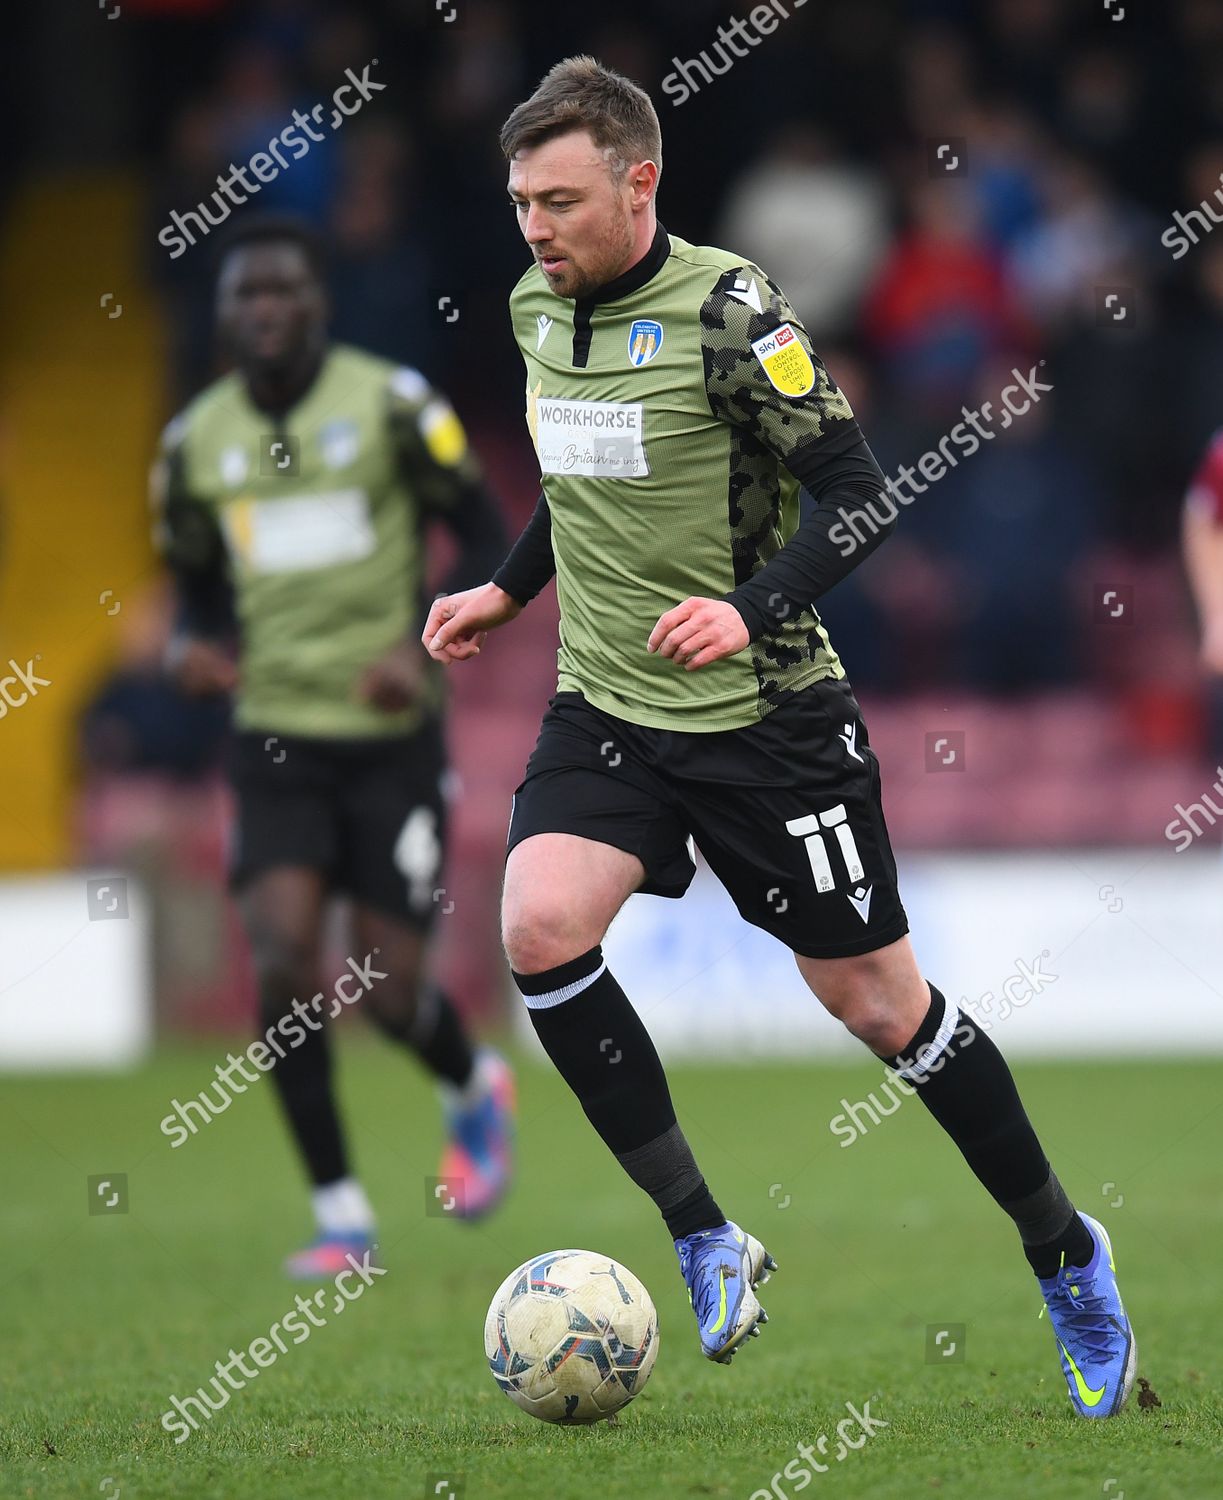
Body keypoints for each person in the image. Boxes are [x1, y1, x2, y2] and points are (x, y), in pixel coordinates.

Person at [422, 58, 1135, 1418]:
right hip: (610, 706)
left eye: (560, 200)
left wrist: (746, 614)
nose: (533, 228)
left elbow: (859, 496)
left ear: (640, 183)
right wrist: (505, 594)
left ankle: (1060, 1252)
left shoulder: (729, 312)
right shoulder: (533, 303)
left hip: (767, 719)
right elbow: (571, 477)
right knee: (535, 927)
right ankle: (700, 1231)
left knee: (877, 1008)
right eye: (520, 202)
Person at [153, 215, 515, 1277]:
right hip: (273, 738)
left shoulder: (394, 408)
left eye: (284, 293)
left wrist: (424, 642)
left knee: (391, 993)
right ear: (224, 318)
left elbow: (491, 534)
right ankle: (342, 1215)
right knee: (278, 965)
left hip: (390, 736)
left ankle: (468, 1084)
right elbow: (196, 594)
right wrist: (189, 650)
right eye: (245, 296)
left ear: (319, 305)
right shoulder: (194, 447)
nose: (265, 311)